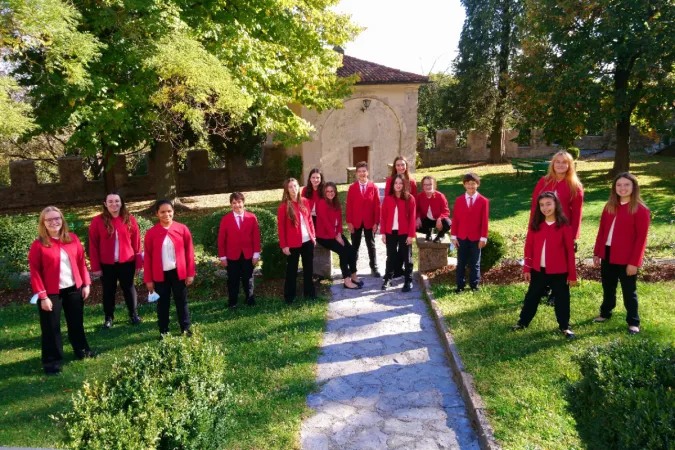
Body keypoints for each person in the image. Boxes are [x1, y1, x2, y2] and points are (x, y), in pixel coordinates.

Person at [29, 206, 95, 375]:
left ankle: (82, 351)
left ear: (62, 220)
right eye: (49, 219)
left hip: (74, 289)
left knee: (76, 323)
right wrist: (42, 296)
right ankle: (52, 362)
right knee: (51, 328)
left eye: (57, 218)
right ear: (43, 223)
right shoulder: (38, 245)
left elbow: (81, 262)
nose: (54, 222)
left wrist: (86, 284)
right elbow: (35, 272)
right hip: (51, 293)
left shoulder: (72, 239)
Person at [511, 192, 577, 339]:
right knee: (531, 297)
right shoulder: (535, 226)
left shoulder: (564, 226)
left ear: (556, 205)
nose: (545, 208)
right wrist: (527, 268)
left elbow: (570, 253)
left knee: (562, 299)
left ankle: (565, 327)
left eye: (548, 204)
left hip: (560, 272)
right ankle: (523, 322)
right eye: (542, 205)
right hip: (538, 270)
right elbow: (528, 248)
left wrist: (572, 275)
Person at [592, 172, 650, 335]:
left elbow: (641, 239)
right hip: (608, 254)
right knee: (608, 286)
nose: (622, 188)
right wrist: (597, 252)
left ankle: (633, 321)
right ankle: (605, 313)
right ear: (614, 188)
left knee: (628, 290)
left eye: (626, 185)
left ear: (633, 187)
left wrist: (634, 262)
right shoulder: (609, 206)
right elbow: (602, 231)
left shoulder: (640, 210)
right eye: (619, 185)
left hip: (627, 257)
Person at [529, 151, 584, 305]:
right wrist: (532, 227)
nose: (560, 165)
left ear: (569, 165)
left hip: (562, 229)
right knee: (543, 257)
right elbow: (535, 206)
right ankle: (542, 289)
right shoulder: (544, 181)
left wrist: (573, 235)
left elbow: (577, 212)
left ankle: (556, 292)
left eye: (564, 162)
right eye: (557, 161)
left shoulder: (575, 185)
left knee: (560, 261)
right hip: (542, 227)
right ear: (552, 164)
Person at [89, 191, 143, 328]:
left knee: (129, 288)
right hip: (106, 264)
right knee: (108, 291)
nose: (114, 204)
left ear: (121, 203)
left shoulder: (130, 219)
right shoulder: (97, 221)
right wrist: (96, 267)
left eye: (117, 201)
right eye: (111, 201)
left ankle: (133, 314)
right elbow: (93, 245)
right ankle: (108, 318)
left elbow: (136, 243)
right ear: (105, 204)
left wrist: (138, 262)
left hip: (127, 261)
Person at [144, 200, 195, 337]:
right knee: (163, 304)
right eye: (162, 212)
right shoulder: (151, 233)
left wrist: (190, 273)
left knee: (181, 302)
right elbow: (147, 258)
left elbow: (189, 252)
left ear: (173, 212)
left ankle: (185, 329)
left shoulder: (182, 229)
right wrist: (148, 280)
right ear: (157, 214)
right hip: (160, 276)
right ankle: (164, 331)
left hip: (178, 273)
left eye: (169, 211)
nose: (166, 214)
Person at [316, 182, 363, 290]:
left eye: (332, 191)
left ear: (335, 192)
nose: (330, 193)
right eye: (327, 191)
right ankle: (346, 280)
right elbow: (325, 222)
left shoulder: (336, 203)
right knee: (343, 251)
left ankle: (354, 276)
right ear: (324, 192)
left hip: (336, 234)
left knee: (351, 250)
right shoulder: (322, 203)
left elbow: (339, 222)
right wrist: (335, 236)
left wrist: (339, 234)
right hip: (324, 236)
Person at [218, 192, 261, 309]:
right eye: (234, 203)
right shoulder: (225, 219)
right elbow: (221, 240)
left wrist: (256, 254)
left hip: (248, 254)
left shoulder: (252, 217)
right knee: (233, 279)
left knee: (248, 278)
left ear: (243, 202)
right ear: (231, 205)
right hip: (232, 255)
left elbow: (256, 237)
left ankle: (250, 299)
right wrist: (223, 257)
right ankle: (232, 302)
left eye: (239, 202)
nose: (237, 205)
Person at [278, 178, 316, 303]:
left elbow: (310, 221)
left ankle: (309, 293)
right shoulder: (283, 206)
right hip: (292, 244)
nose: (293, 189)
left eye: (295, 186)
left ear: (299, 187)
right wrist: (284, 245)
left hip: (307, 242)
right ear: (286, 190)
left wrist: (313, 236)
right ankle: (289, 297)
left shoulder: (305, 201)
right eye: (290, 187)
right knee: (291, 271)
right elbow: (281, 228)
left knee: (308, 269)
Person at [451, 173, 489, 293]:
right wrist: (454, 236)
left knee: (475, 263)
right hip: (461, 237)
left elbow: (484, 220)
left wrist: (483, 238)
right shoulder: (459, 200)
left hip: (476, 238)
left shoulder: (483, 201)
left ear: (477, 184)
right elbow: (455, 219)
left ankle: (474, 285)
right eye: (468, 184)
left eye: (473, 184)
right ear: (464, 185)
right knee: (461, 262)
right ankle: (460, 286)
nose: (470, 186)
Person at [380, 174, 417, 292]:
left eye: (400, 183)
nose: (398, 185)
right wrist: (383, 233)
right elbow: (383, 217)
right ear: (393, 185)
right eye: (396, 183)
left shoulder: (410, 198)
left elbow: (412, 218)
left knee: (407, 257)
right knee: (390, 256)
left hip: (405, 232)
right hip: (390, 232)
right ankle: (388, 279)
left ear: (404, 185)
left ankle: (408, 280)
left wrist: (411, 235)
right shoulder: (388, 198)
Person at [346, 161, 381, 277]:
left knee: (371, 244)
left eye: (364, 171)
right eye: (359, 171)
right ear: (356, 173)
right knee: (354, 246)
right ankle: (353, 267)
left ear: (368, 172)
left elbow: (377, 206)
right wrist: (349, 222)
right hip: (355, 221)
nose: (362, 174)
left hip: (369, 221)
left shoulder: (373, 187)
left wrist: (376, 222)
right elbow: (349, 206)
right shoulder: (352, 188)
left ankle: (374, 267)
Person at [416, 175, 451, 243]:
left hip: (438, 220)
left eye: (430, 184)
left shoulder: (440, 196)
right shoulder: (419, 196)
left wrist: (440, 218)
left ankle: (440, 235)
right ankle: (428, 233)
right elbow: (417, 210)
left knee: (448, 223)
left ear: (434, 185)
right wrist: (417, 217)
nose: (427, 186)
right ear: (422, 186)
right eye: (425, 184)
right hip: (426, 220)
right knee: (413, 224)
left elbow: (446, 211)